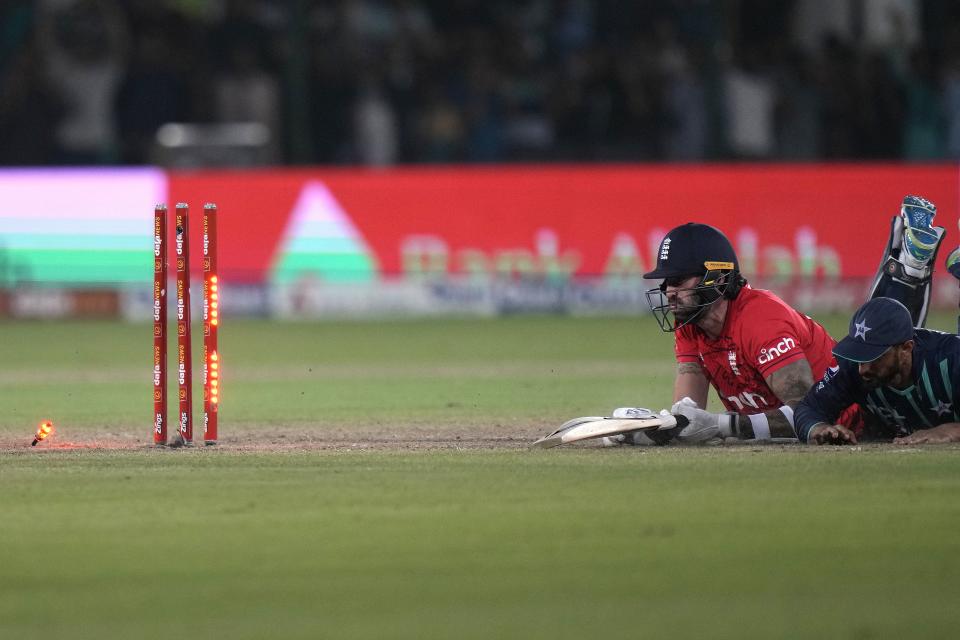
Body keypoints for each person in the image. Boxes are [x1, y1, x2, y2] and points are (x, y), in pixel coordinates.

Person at [609, 195, 944, 445]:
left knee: (885, 342)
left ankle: (910, 268)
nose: (668, 291)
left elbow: (806, 411)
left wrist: (723, 425)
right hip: (827, 420)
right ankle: (909, 264)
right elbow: (690, 414)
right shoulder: (690, 325)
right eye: (665, 283)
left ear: (719, 279)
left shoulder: (760, 319)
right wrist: (651, 430)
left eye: (679, 280)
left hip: (869, 417)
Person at [795, 297, 960, 445]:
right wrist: (818, 429)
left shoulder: (952, 358)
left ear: (906, 348)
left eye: (874, 357)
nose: (863, 369)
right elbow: (809, 408)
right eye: (859, 354)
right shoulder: (851, 364)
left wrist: (950, 430)